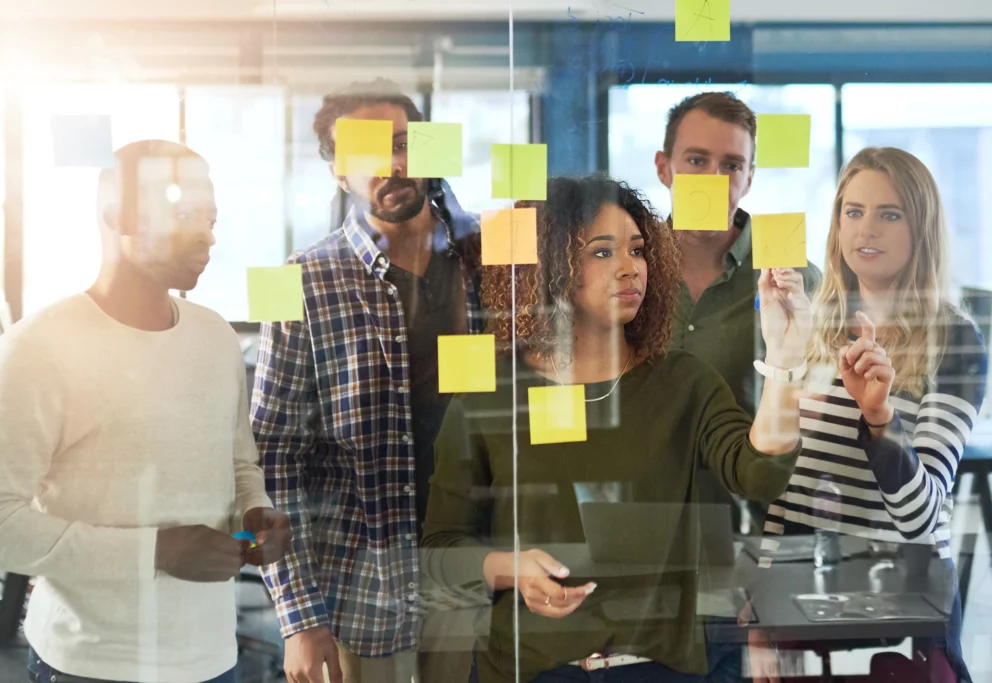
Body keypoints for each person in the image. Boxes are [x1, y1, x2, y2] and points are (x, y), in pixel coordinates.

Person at [422, 174, 812, 683]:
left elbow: (762, 474)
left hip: (656, 671)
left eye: (638, 250)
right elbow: (438, 551)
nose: (631, 268)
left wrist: (785, 358)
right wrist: (508, 568)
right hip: (527, 671)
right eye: (602, 253)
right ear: (549, 268)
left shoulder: (682, 380)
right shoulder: (491, 392)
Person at [0, 140, 292, 683]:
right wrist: (155, 551)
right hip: (92, 664)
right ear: (115, 216)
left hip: (214, 658)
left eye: (211, 218)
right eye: (183, 213)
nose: (207, 236)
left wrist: (255, 510)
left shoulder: (213, 336)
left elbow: (237, 461)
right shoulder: (37, 349)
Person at [251, 79, 482, 683]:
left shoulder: (494, 257)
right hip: (359, 576)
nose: (392, 163)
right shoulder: (296, 279)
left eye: (405, 143)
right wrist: (298, 617)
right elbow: (271, 459)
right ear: (336, 171)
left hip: (476, 558)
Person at [751, 148, 988, 683]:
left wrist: (880, 418)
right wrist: (760, 616)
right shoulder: (807, 321)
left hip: (901, 621)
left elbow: (922, 517)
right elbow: (781, 491)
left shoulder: (954, 341)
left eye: (890, 212)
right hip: (800, 607)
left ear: (921, 227)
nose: (866, 229)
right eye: (852, 211)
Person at [655, 92, 824, 533]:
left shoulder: (795, 279)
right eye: (696, 161)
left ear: (749, 178)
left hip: (762, 520)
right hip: (641, 515)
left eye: (731, 165)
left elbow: (826, 413)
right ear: (662, 168)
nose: (714, 179)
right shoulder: (626, 269)